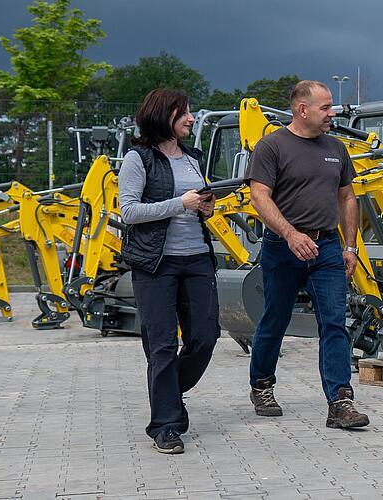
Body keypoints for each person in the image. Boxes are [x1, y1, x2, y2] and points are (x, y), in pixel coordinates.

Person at [245, 80, 370, 429]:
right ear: (302, 109)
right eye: (326, 108)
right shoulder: (271, 147)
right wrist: (290, 234)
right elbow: (260, 198)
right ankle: (262, 385)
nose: (333, 114)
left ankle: (340, 402)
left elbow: (347, 198)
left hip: (327, 246)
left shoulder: (336, 148)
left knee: (334, 321)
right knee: (275, 319)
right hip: (282, 248)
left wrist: (349, 246)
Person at [116, 88, 221, 454]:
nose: (191, 118)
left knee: (206, 337)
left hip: (197, 258)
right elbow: (128, 212)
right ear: (164, 115)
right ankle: (165, 425)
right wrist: (180, 203)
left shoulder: (193, 157)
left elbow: (200, 203)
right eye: (184, 113)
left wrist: (207, 208)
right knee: (161, 346)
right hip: (155, 264)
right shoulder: (137, 158)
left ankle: (170, 393)